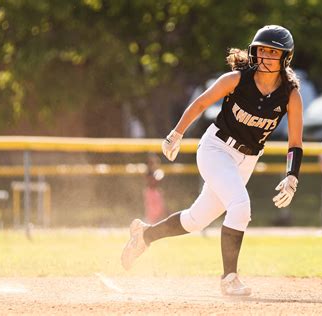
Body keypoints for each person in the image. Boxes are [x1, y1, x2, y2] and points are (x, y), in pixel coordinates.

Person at [121, 25, 303, 296]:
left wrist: (292, 175)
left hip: (247, 160)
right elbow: (201, 103)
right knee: (240, 207)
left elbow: (295, 143)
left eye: (272, 52)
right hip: (216, 149)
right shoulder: (237, 79)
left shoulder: (290, 94)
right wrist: (176, 133)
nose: (264, 57)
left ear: (285, 58)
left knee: (195, 219)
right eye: (261, 50)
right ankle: (229, 278)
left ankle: (145, 236)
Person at [143, 153, 166, 224]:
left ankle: (157, 223)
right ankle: (149, 223)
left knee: (160, 209)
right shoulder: (149, 172)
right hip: (150, 192)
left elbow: (157, 182)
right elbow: (151, 182)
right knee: (152, 211)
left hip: (155, 192)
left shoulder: (157, 171)